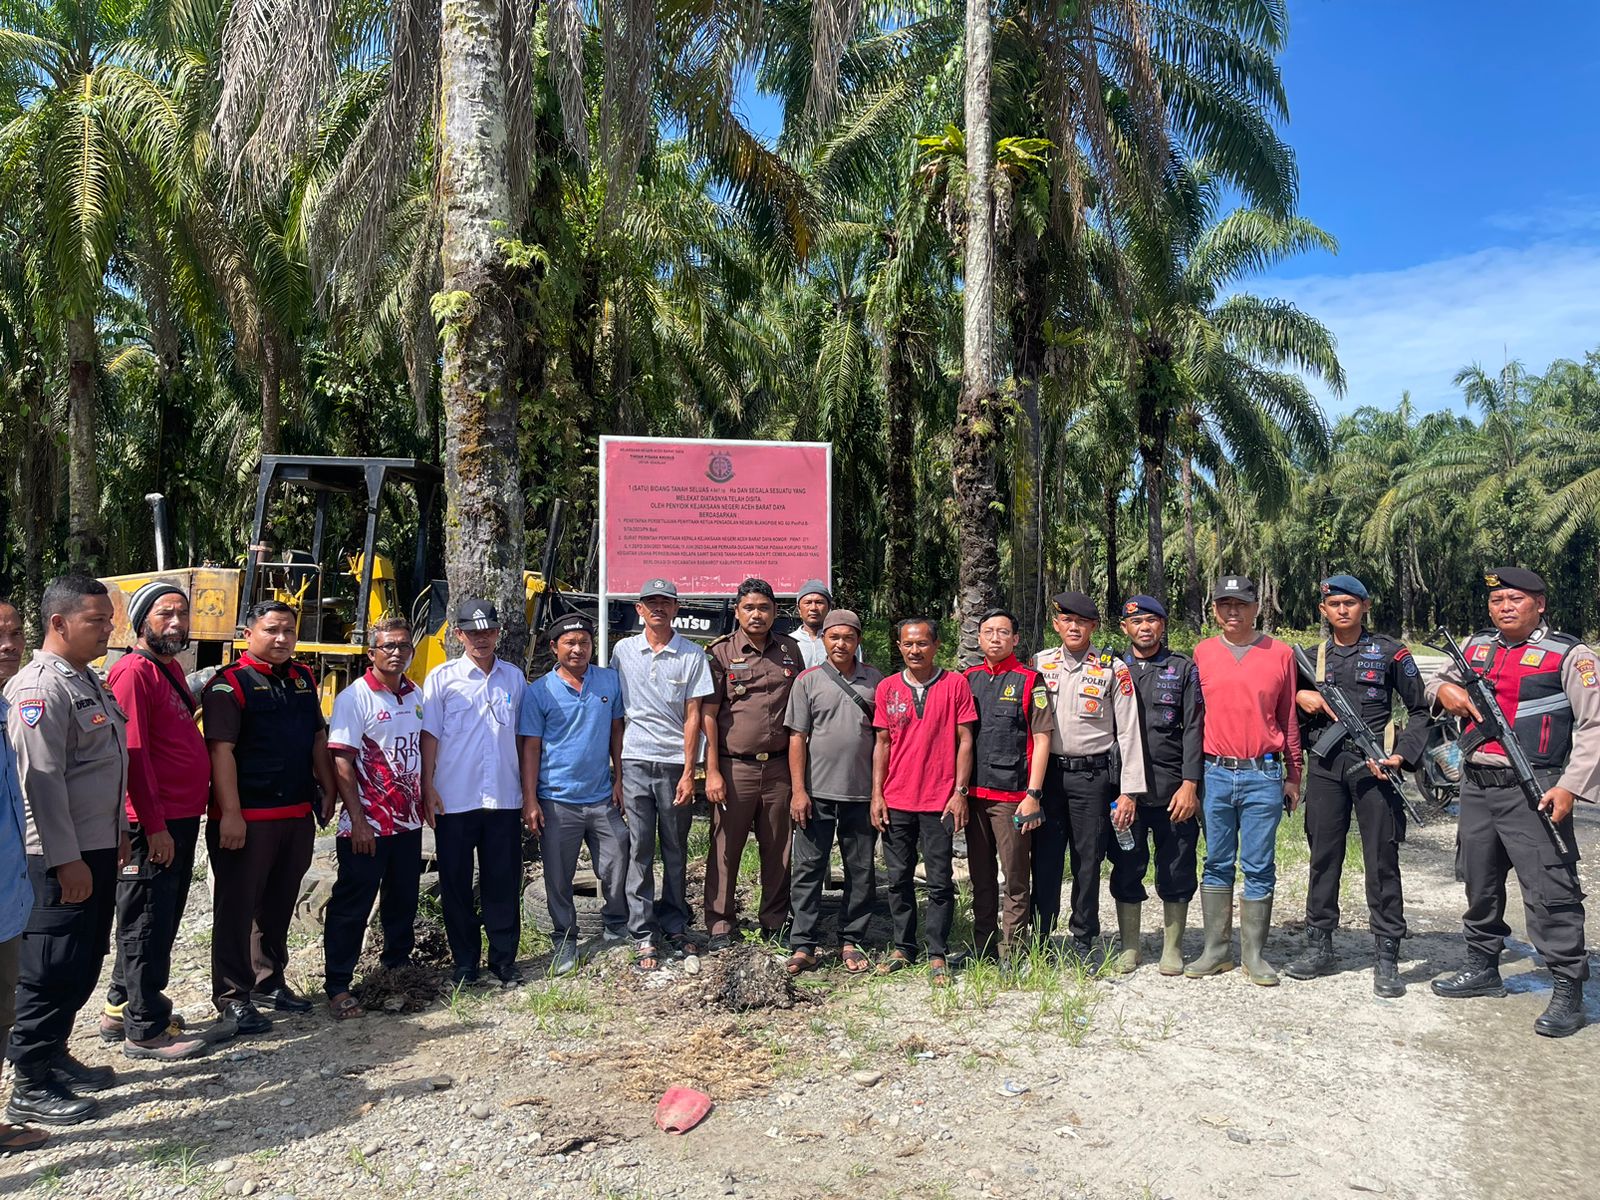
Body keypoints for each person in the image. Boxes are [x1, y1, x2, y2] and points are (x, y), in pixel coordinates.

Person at [1428, 567, 1598, 1037]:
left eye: (1515, 598)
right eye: (1498, 598)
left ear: (1539, 604)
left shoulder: (1569, 655)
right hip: (1477, 784)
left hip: (1537, 786)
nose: (1504, 606)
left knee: (1550, 889)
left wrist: (1571, 786)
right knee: (1478, 880)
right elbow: (1434, 684)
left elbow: (1593, 727)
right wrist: (1443, 690)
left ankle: (1568, 986)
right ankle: (1483, 966)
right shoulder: (1475, 646)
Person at [4, 576, 127, 1125]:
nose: (107, 628)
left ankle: (52, 1056)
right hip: (60, 857)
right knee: (50, 969)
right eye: (95, 620)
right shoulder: (39, 689)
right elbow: (41, 780)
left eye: (108, 619)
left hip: (95, 846)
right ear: (59, 623)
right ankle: (29, 1082)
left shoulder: (88, 681)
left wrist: (117, 831)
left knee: (80, 962)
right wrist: (64, 857)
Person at [1286, 575, 1431, 997]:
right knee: (1323, 855)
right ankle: (1320, 945)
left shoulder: (1389, 651)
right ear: (1323, 611)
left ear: (1365, 606)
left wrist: (1400, 756)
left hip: (1375, 767)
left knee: (1381, 859)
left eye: (1351, 603)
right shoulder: (1311, 658)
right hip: (1327, 764)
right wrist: (1301, 698)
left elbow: (1420, 711)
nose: (1343, 611)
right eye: (1335, 604)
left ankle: (1387, 955)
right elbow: (1281, 701)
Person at [203, 601, 335, 1033]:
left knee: (278, 905)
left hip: (295, 813)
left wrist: (327, 787)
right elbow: (220, 753)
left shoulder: (302, 678)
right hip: (249, 818)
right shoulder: (229, 685)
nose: (281, 638)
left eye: (289, 631)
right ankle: (231, 996)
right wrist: (231, 815)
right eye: (272, 629)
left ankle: (268, 980)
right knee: (236, 908)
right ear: (248, 634)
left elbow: (318, 738)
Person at [100, 583, 210, 1059]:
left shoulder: (166, 670)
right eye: (166, 614)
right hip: (154, 823)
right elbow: (134, 754)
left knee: (157, 915)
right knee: (147, 919)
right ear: (142, 620)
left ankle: (118, 1007)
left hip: (178, 816)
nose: (177, 623)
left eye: (182, 615)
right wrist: (155, 823)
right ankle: (146, 1027)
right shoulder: (133, 672)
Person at [1187, 575, 1302, 986]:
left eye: (1241, 604)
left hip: (1263, 774)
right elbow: (1192, 720)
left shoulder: (1281, 653)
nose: (1232, 611)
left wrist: (1293, 774)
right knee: (1216, 862)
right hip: (1215, 773)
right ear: (1214, 609)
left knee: (1259, 865)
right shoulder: (1201, 654)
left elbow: (1288, 717)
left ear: (1256, 607)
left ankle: (1253, 954)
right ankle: (1216, 950)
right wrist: (1191, 780)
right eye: (1224, 604)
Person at [1032, 591, 1146, 956]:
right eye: (1067, 620)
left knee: (1087, 859)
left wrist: (1129, 791)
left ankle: (1083, 936)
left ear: (1093, 626)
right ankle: (1041, 934)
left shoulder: (1113, 668)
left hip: (1092, 776)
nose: (1074, 627)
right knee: (1046, 857)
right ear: (1056, 625)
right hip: (1048, 776)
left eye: (1082, 621)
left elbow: (1128, 732)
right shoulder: (1040, 663)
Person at [322, 617, 426, 1019]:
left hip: (407, 823)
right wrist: (359, 820)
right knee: (353, 903)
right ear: (372, 653)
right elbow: (342, 762)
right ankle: (337, 985)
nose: (397, 652)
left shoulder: (416, 694)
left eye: (403, 646)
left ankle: (396, 968)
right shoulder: (356, 696)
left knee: (402, 899)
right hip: (365, 826)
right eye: (388, 646)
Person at [420, 600, 526, 987]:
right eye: (473, 632)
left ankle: (503, 960)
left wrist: (528, 794)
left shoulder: (514, 678)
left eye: (489, 631)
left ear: (498, 633)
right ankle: (464, 961)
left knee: (502, 881)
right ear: (458, 634)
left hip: (502, 797)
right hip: (454, 797)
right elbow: (429, 736)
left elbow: (522, 738)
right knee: (455, 883)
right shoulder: (442, 678)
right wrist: (426, 786)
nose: (482, 639)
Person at [520, 614, 627, 977]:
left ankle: (616, 924)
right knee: (557, 875)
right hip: (556, 798)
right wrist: (530, 799)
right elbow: (530, 748)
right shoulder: (539, 692)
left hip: (600, 796)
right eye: (570, 643)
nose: (578, 649)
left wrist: (620, 779)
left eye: (584, 642)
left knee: (616, 857)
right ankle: (565, 939)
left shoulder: (608, 682)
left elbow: (617, 733)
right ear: (554, 648)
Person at [613, 579, 713, 967]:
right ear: (639, 609)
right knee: (639, 848)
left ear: (676, 608)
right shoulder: (623, 651)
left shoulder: (691, 655)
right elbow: (618, 715)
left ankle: (675, 923)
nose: (658, 608)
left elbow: (694, 717)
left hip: (674, 764)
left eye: (665, 602)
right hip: (635, 760)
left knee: (675, 848)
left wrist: (691, 771)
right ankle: (641, 930)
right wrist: (618, 772)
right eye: (650, 602)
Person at [871, 618, 976, 985]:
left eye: (922, 643)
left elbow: (965, 740)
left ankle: (936, 951)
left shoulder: (955, 685)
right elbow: (882, 745)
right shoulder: (887, 688)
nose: (915, 650)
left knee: (940, 880)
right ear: (899, 646)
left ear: (936, 645)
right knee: (898, 878)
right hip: (897, 799)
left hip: (940, 801)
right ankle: (903, 946)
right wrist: (877, 794)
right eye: (907, 643)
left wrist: (960, 793)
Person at [702, 578, 803, 950]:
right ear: (737, 611)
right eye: (749, 608)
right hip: (734, 768)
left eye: (763, 608)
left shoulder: (790, 651)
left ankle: (774, 921)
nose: (757, 614)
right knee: (725, 847)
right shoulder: (720, 653)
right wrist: (711, 770)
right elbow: (708, 716)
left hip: (779, 769)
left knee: (778, 848)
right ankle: (719, 923)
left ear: (775, 611)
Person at [784, 609, 883, 974]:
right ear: (823, 639)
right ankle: (804, 943)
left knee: (861, 870)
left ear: (858, 640)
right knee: (808, 868)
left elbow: (883, 739)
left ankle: (851, 939)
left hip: (861, 794)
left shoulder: (876, 681)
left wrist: (878, 793)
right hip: (816, 793)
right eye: (834, 637)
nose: (841, 643)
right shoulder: (807, 681)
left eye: (848, 637)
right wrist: (798, 791)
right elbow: (797, 738)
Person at [1116, 595, 1203, 975]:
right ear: (1125, 628)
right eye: (1137, 623)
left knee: (1177, 865)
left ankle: (1172, 947)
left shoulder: (1182, 668)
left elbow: (1195, 728)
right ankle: (1130, 946)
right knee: (1125, 864)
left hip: (1172, 790)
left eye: (1153, 621)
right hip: (1124, 791)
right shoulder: (1112, 669)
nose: (1145, 628)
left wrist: (1190, 784)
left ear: (1163, 626)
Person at [961, 608, 1051, 961]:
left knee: (1014, 879)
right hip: (974, 796)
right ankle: (982, 948)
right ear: (979, 638)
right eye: (988, 632)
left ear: (1015, 638)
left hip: (1012, 798)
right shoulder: (966, 679)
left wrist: (1033, 795)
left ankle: (1013, 951)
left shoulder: (1031, 680)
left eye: (1003, 632)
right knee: (979, 877)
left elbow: (1042, 739)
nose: (995, 638)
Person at [0, 598, 49, 1152]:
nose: (9, 643)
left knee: (3, 1009)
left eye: (15, 633)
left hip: (8, 896)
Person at [789, 581, 834, 669]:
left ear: (829, 607)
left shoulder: (842, 641)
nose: (813, 608)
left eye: (819, 602)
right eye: (808, 603)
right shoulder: (789, 642)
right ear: (799, 609)